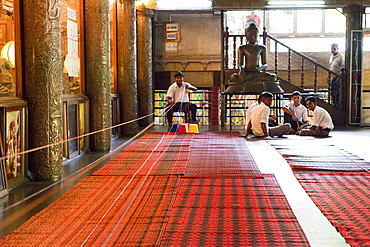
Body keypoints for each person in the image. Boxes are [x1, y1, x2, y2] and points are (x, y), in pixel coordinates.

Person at [329, 43, 344, 108]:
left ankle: (337, 107)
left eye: (334, 48)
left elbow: (343, 68)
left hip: (337, 78)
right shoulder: (331, 57)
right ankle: (334, 105)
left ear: (338, 49)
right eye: (332, 48)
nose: (333, 50)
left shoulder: (341, 57)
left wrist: (340, 77)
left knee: (337, 93)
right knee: (332, 93)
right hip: (332, 77)